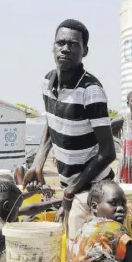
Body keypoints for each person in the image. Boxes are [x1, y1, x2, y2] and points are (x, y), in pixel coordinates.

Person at [23, 19, 116, 239]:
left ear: (85, 51)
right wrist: (38, 162)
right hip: (71, 189)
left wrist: (71, 190)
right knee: (75, 256)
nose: (65, 48)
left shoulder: (90, 91)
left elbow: (108, 152)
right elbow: (52, 123)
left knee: (94, 260)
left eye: (73, 44)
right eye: (60, 43)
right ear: (53, 47)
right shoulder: (47, 83)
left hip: (96, 191)